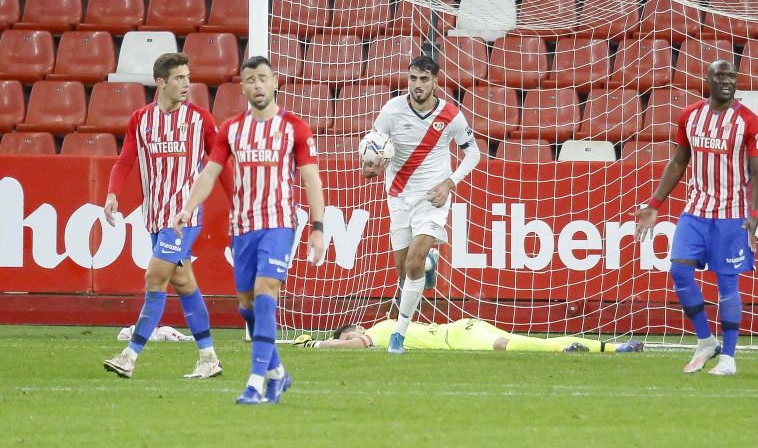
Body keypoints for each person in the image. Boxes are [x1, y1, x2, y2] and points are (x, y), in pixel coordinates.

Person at [173, 56, 325, 405]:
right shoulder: (231, 130)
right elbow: (210, 173)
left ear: (275, 83)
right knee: (247, 305)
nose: (257, 85)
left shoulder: (295, 128)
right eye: (250, 80)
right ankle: (276, 373)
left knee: (265, 292)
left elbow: (311, 179)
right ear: (242, 87)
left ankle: (255, 383)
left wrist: (317, 226)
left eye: (262, 78)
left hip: (279, 223)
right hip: (242, 227)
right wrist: (187, 208)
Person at [103, 52, 232, 380]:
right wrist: (112, 193)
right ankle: (208, 358)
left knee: (154, 277)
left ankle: (130, 356)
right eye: (179, 78)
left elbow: (220, 164)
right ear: (161, 82)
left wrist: (238, 201)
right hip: (155, 216)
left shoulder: (200, 119)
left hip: (183, 217)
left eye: (188, 77)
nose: (187, 84)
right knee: (184, 282)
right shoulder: (140, 120)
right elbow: (125, 160)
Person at [634, 59, 758, 376]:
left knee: (727, 284)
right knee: (679, 274)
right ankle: (706, 340)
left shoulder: (750, 122)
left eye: (732, 75)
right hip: (695, 212)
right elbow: (678, 162)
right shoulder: (690, 116)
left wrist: (755, 213)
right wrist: (654, 203)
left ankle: (729, 358)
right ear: (708, 79)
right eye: (720, 75)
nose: (727, 80)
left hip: (731, 216)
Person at [362, 55, 481, 354]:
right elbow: (372, 152)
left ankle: (398, 336)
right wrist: (371, 167)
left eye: (424, 79)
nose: (417, 85)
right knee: (405, 272)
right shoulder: (391, 111)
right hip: (399, 196)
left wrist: (448, 183)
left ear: (435, 82)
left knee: (412, 262)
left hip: (433, 197)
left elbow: (473, 154)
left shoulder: (451, 115)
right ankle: (429, 263)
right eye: (413, 78)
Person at [293, 318, 644, 354]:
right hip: (463, 327)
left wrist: (316, 343)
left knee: (513, 345)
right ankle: (611, 348)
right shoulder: (389, 327)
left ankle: (576, 348)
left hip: (457, 338)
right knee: (523, 342)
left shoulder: (381, 330)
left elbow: (354, 344)